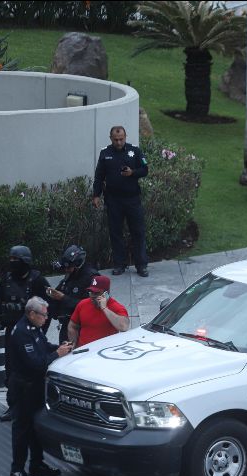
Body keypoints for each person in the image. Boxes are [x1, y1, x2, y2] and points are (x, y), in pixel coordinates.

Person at [8, 296, 72, 476]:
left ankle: (37, 464)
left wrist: (60, 348)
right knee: (22, 429)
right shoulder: (21, 333)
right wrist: (56, 354)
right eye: (44, 315)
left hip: (35, 387)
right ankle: (17, 470)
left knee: (36, 427)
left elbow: (43, 347)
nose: (47, 318)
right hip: (23, 388)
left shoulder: (34, 327)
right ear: (32, 313)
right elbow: (35, 364)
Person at [0, 245, 51, 422]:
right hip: (12, 332)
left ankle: (35, 405)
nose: (12, 264)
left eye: (15, 260)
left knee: (33, 369)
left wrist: (40, 330)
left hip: (32, 334)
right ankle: (13, 406)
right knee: (12, 371)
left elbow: (49, 306)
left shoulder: (38, 280)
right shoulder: (6, 279)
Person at [92, 126, 150, 277]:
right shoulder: (105, 153)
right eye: (116, 139)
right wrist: (96, 195)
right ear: (111, 138)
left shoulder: (134, 151)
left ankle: (141, 265)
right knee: (116, 233)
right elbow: (99, 176)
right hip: (113, 201)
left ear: (125, 137)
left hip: (132, 200)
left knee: (138, 232)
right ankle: (119, 264)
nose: (119, 142)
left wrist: (132, 173)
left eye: (121, 139)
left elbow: (145, 170)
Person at [46, 245, 100, 344]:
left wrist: (63, 298)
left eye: (69, 267)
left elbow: (92, 305)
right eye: (65, 267)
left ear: (77, 264)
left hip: (84, 326)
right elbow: (61, 289)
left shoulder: (92, 278)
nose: (66, 270)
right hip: (66, 324)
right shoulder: (71, 274)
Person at [68, 275, 129, 348]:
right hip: (84, 351)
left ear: (106, 293)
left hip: (104, 352)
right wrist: (73, 344)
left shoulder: (116, 307)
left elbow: (124, 327)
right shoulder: (82, 304)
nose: (93, 296)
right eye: (91, 292)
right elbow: (72, 326)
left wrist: (104, 308)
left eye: (96, 293)